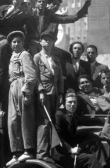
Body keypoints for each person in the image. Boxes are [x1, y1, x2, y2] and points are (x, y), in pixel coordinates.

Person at [32, 29, 64, 164]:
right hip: (44, 93)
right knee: (44, 122)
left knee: (52, 122)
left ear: (53, 43)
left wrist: (61, 93)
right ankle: (41, 153)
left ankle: (51, 152)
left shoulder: (55, 59)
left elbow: (60, 78)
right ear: (40, 42)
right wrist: (40, 91)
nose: (47, 41)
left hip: (55, 93)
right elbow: (35, 76)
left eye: (50, 39)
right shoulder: (37, 57)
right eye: (44, 39)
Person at [6, 31, 38, 165]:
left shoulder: (25, 55)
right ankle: (16, 152)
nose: (16, 44)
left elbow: (31, 75)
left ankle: (28, 150)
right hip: (13, 87)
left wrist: (27, 92)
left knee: (25, 119)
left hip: (22, 86)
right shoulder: (12, 56)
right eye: (14, 42)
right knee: (13, 120)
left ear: (22, 43)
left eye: (19, 41)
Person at [53, 90, 101, 168]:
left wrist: (104, 120)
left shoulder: (73, 115)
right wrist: (70, 150)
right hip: (61, 154)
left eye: (75, 102)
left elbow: (86, 121)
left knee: (94, 141)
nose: (72, 105)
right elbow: (57, 136)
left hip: (72, 149)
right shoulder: (59, 115)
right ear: (64, 103)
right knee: (90, 158)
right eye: (70, 102)